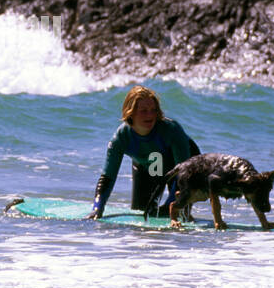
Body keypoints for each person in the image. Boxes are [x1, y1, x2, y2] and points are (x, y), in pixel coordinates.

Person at [85, 85, 200, 220]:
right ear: (130, 113)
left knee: (177, 213)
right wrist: (97, 208)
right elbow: (107, 177)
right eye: (143, 111)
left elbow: (183, 174)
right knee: (141, 214)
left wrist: (169, 205)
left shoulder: (171, 130)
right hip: (149, 166)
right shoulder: (122, 137)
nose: (150, 115)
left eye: (153, 110)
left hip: (186, 168)